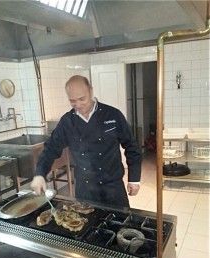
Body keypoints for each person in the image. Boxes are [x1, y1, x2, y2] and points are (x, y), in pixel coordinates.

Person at [31, 75, 141, 209]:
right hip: (85, 190)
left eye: (82, 98)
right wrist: (40, 174)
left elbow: (131, 146)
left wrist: (134, 179)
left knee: (120, 225)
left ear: (91, 91)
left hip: (113, 187)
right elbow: (50, 149)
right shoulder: (67, 122)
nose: (78, 105)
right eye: (72, 101)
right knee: (85, 226)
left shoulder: (112, 115)